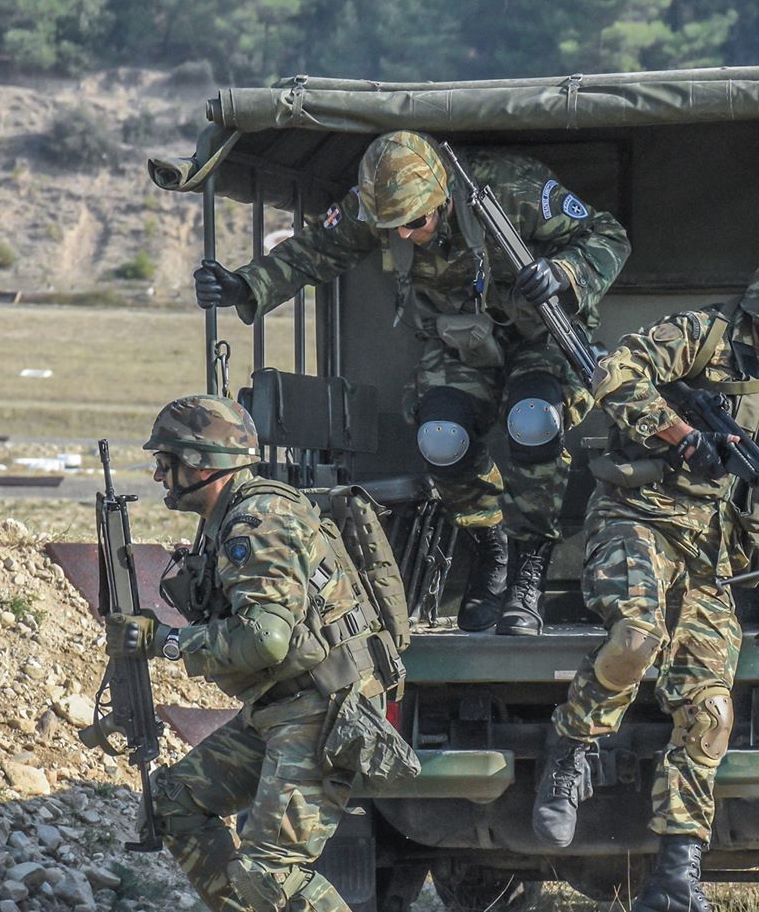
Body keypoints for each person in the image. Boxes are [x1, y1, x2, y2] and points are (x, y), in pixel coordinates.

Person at [530, 253, 759, 912]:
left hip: (706, 555)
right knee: (636, 637)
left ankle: (676, 878)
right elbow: (614, 370)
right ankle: (572, 747)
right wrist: (683, 439)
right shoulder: (703, 336)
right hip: (634, 519)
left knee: (710, 707)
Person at [193, 130, 630, 637]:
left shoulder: (512, 188)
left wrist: (563, 271)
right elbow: (317, 249)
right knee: (440, 438)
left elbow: (608, 235)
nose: (403, 235)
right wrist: (246, 283)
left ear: (440, 199)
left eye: (414, 222)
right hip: (462, 340)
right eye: (390, 227)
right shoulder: (374, 207)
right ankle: (491, 545)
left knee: (533, 422)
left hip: (543, 332)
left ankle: (529, 569)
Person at [106, 394, 422, 912]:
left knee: (273, 865)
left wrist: (165, 644)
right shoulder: (226, 520)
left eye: (167, 461)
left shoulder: (259, 520)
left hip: (322, 707)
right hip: (284, 708)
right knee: (174, 799)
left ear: (204, 462)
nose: (160, 476)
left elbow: (266, 640)